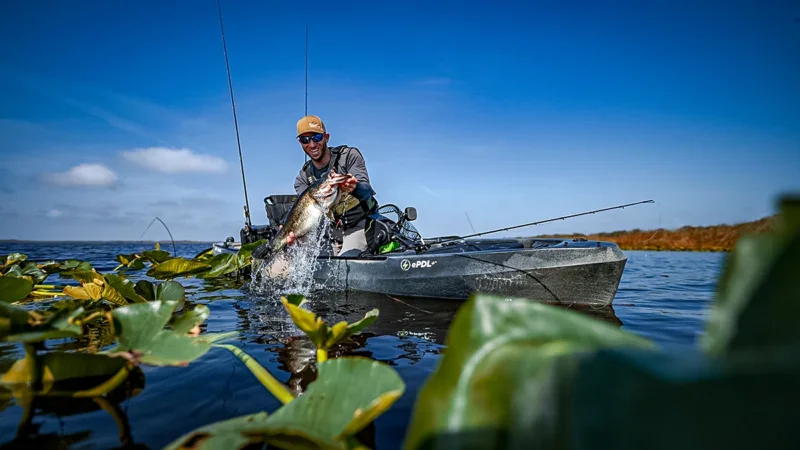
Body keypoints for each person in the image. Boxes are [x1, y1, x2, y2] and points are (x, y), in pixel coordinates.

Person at [287, 114, 378, 256]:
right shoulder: (302, 179)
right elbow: (304, 213)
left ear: (326, 137)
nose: (312, 144)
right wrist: (289, 230)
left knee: (346, 262)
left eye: (316, 137)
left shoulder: (348, 156)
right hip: (330, 234)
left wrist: (355, 188)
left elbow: (367, 191)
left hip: (359, 225)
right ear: (300, 143)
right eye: (305, 139)